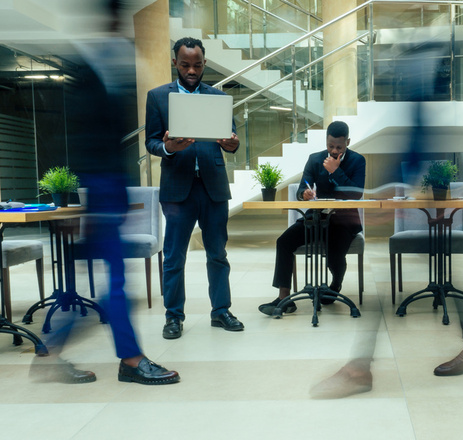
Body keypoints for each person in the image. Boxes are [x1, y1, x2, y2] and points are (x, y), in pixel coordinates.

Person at [31, 0, 179, 385]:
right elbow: (79, 140)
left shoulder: (108, 61)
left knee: (108, 282)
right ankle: (128, 359)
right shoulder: (86, 69)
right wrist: (89, 206)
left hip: (108, 189)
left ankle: (56, 356)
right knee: (115, 284)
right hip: (100, 190)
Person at [145, 37, 244, 339]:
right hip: (178, 190)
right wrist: (169, 147)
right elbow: (151, 142)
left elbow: (231, 138)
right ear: (175, 62)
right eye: (186, 64)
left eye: (197, 65)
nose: (192, 70)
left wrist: (233, 144)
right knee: (175, 257)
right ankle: (173, 316)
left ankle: (221, 311)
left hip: (213, 188)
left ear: (204, 63)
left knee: (218, 254)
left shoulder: (218, 97)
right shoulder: (158, 96)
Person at [258, 121, 366, 314]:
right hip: (317, 217)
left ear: (347, 142)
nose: (334, 150)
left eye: (339, 147)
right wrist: (304, 194)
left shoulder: (358, 161)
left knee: (334, 252)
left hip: (344, 221)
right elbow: (302, 188)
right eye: (330, 146)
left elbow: (356, 194)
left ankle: (335, 285)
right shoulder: (314, 159)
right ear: (326, 141)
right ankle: (284, 298)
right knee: (284, 241)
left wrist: (336, 171)